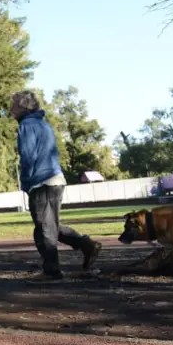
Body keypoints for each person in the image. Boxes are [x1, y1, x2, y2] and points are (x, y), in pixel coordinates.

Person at [11, 90, 102, 280]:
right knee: (51, 225)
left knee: (43, 229)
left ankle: (51, 271)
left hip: (41, 181)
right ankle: (87, 245)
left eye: (13, 105)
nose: (10, 109)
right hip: (56, 179)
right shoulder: (43, 124)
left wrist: (26, 182)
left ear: (22, 106)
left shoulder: (27, 125)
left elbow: (27, 157)